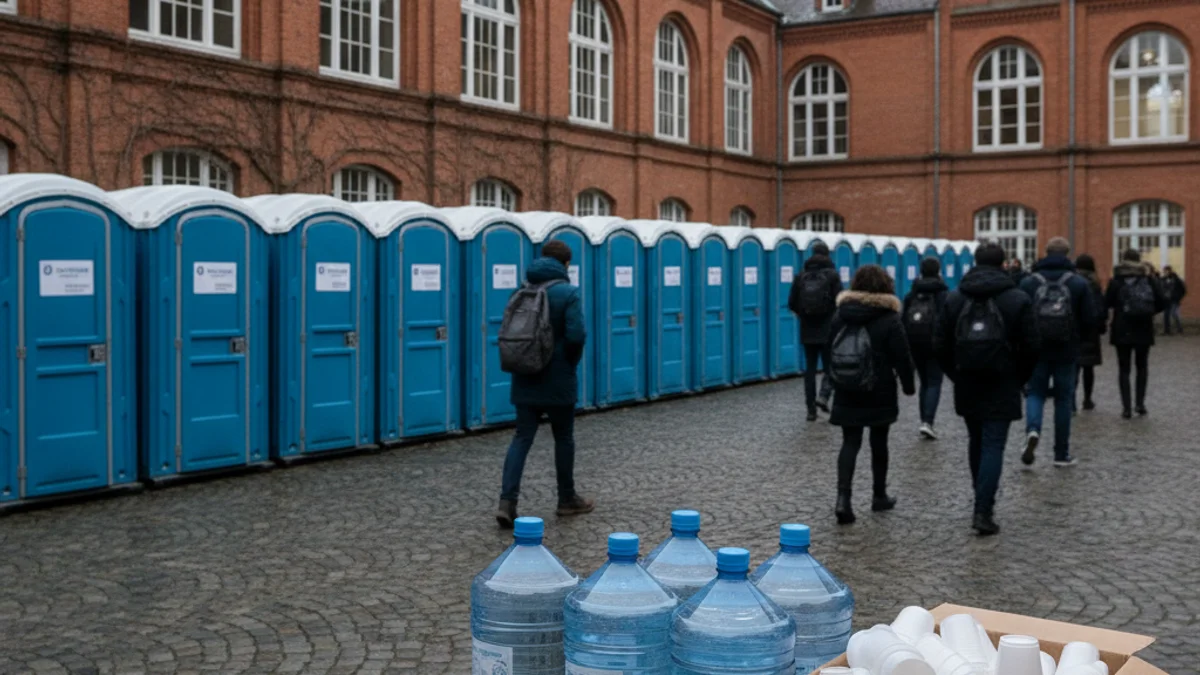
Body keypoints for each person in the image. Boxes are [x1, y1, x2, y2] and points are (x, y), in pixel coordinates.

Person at [935, 243, 1038, 536]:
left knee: (976, 440)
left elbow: (939, 343)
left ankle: (979, 497)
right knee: (993, 444)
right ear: (1004, 264)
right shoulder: (1017, 298)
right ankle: (983, 509)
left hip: (967, 380)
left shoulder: (955, 298)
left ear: (975, 262)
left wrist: (955, 374)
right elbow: (1033, 345)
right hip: (1003, 380)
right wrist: (1018, 378)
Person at [496, 240, 594, 528]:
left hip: (525, 374)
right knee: (563, 437)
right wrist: (568, 362)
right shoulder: (568, 292)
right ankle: (566, 500)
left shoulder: (521, 291)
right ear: (566, 265)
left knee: (522, 438)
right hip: (558, 377)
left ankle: (507, 502)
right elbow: (577, 335)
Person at [827, 265, 915, 525]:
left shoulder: (841, 315)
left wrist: (833, 380)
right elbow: (902, 356)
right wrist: (909, 385)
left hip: (847, 386)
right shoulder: (889, 318)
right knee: (879, 442)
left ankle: (843, 499)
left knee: (850, 442)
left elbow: (828, 348)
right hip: (880, 388)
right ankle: (879, 495)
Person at [1017, 238, 1096, 468]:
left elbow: (1020, 316)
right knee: (1063, 399)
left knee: (1035, 393)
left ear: (1045, 253)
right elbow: (1090, 319)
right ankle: (1061, 454)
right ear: (1068, 254)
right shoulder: (1078, 283)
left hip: (1036, 349)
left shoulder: (1029, 282)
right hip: (1066, 348)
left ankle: (1033, 430)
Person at [1105, 249, 1168, 419]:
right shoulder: (1148, 278)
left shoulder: (1117, 279)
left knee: (1123, 368)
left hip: (1122, 327)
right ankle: (1140, 404)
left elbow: (1108, 302)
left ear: (1123, 260)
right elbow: (1162, 301)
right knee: (1142, 366)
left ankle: (1126, 408)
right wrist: (1147, 312)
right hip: (1143, 327)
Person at [790, 242, 844, 422]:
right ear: (828, 256)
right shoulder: (832, 276)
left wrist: (804, 315)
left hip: (807, 329)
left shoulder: (801, 276)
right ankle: (824, 395)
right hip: (829, 328)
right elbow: (840, 302)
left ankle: (810, 410)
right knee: (831, 366)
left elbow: (792, 303)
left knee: (810, 370)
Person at [902, 257, 949, 440]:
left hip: (915, 343)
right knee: (935, 381)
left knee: (924, 382)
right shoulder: (942, 293)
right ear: (938, 271)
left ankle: (924, 420)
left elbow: (903, 318)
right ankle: (928, 421)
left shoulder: (912, 293)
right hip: (935, 343)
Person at [1074, 254, 1106, 411]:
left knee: (1074, 367)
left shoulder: (1071, 281)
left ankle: (1071, 400)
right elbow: (1101, 307)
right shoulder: (1095, 283)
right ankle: (1087, 399)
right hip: (1090, 329)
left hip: (1073, 328)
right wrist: (1101, 325)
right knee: (1088, 368)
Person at [1161, 265, 1187, 336]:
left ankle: (1179, 329)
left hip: (1174, 300)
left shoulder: (1176, 279)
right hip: (1166, 300)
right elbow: (1161, 288)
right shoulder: (1163, 279)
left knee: (1174, 314)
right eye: (1164, 271)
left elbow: (1183, 290)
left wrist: (1178, 297)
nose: (1165, 273)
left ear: (1170, 271)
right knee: (1166, 315)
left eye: (1166, 271)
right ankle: (1167, 330)